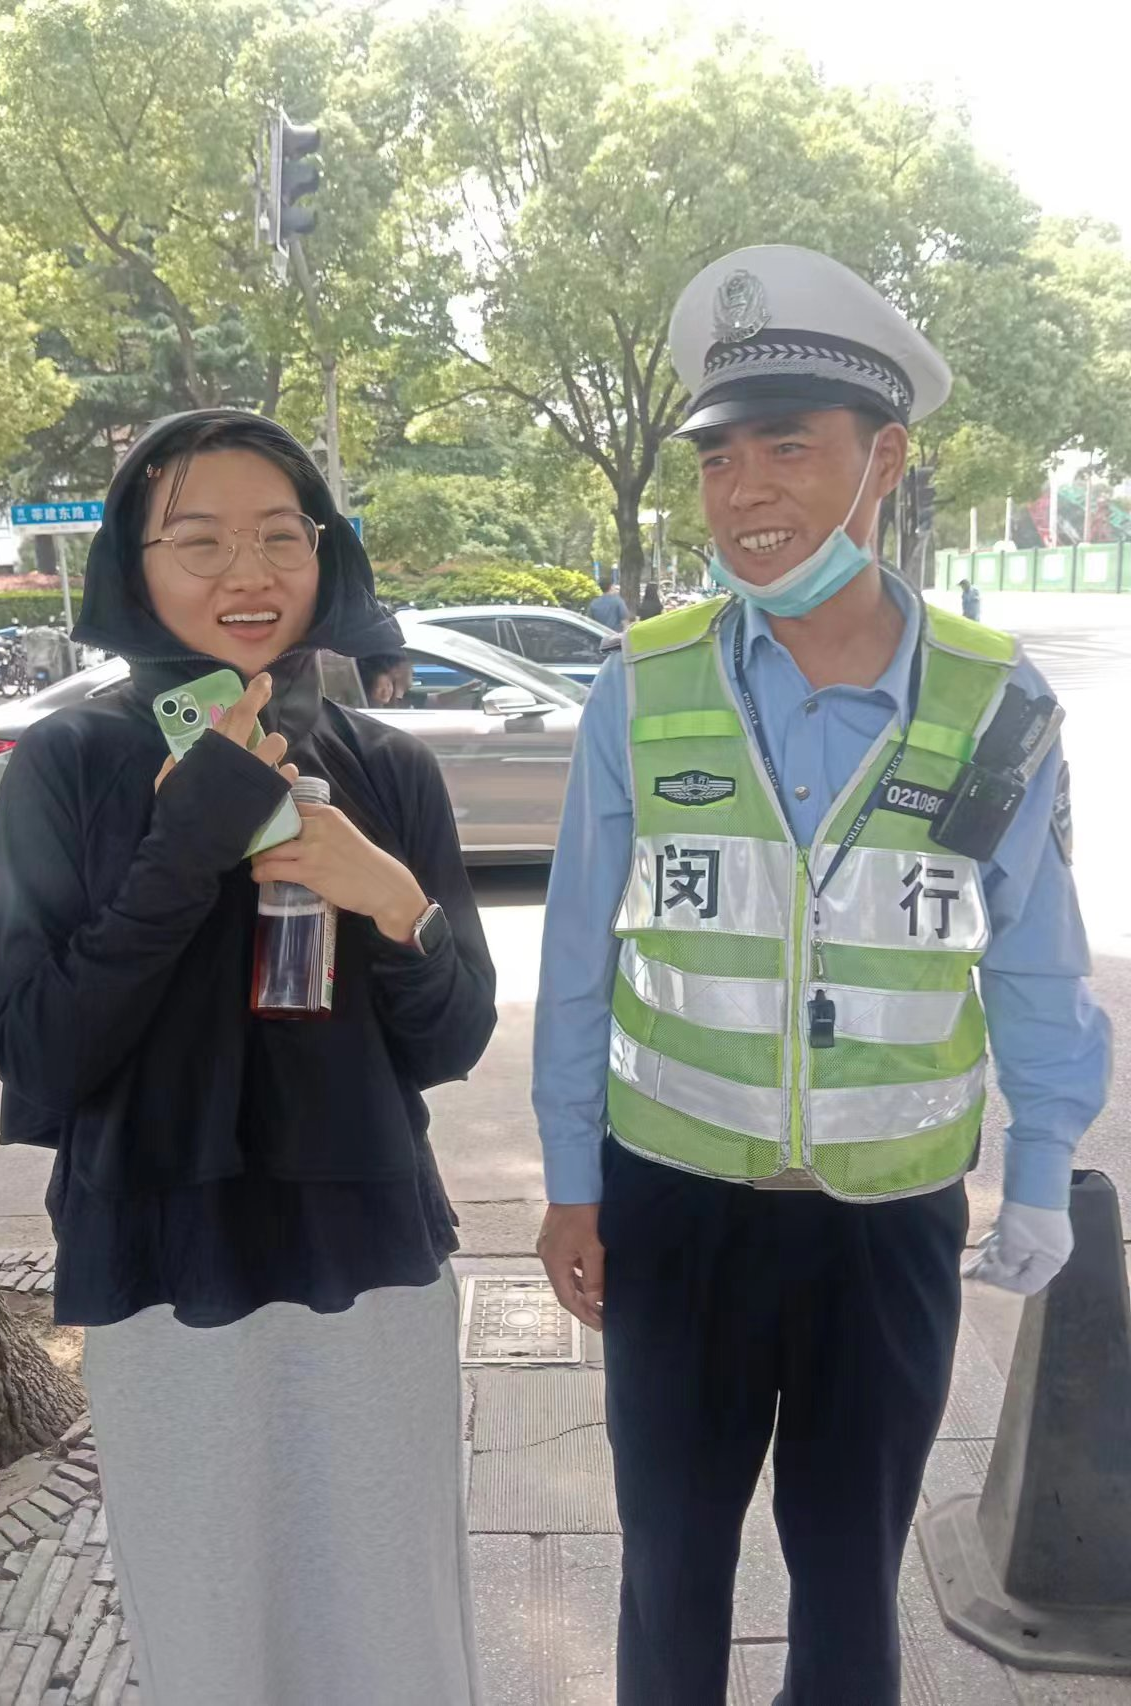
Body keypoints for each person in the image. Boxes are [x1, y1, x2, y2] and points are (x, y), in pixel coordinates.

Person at [532, 246, 1110, 1706]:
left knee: (852, 1578)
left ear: (885, 460)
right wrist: (571, 1180)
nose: (745, 494)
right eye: (719, 458)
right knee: (670, 1565)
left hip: (886, 1223)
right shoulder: (641, 684)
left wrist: (1043, 1165)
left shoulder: (994, 701)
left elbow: (1036, 956)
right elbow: (579, 956)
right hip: (675, 1206)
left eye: (787, 448)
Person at [0, 410, 494, 1706]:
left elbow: (453, 1035)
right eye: (199, 541)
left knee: (396, 1632)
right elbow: (40, 1053)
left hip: (369, 1256)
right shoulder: (69, 765)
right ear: (133, 564)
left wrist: (392, 901)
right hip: (169, 1267)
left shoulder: (386, 767)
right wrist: (180, 852)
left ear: (325, 554)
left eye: (279, 536)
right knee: (212, 1638)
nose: (246, 574)